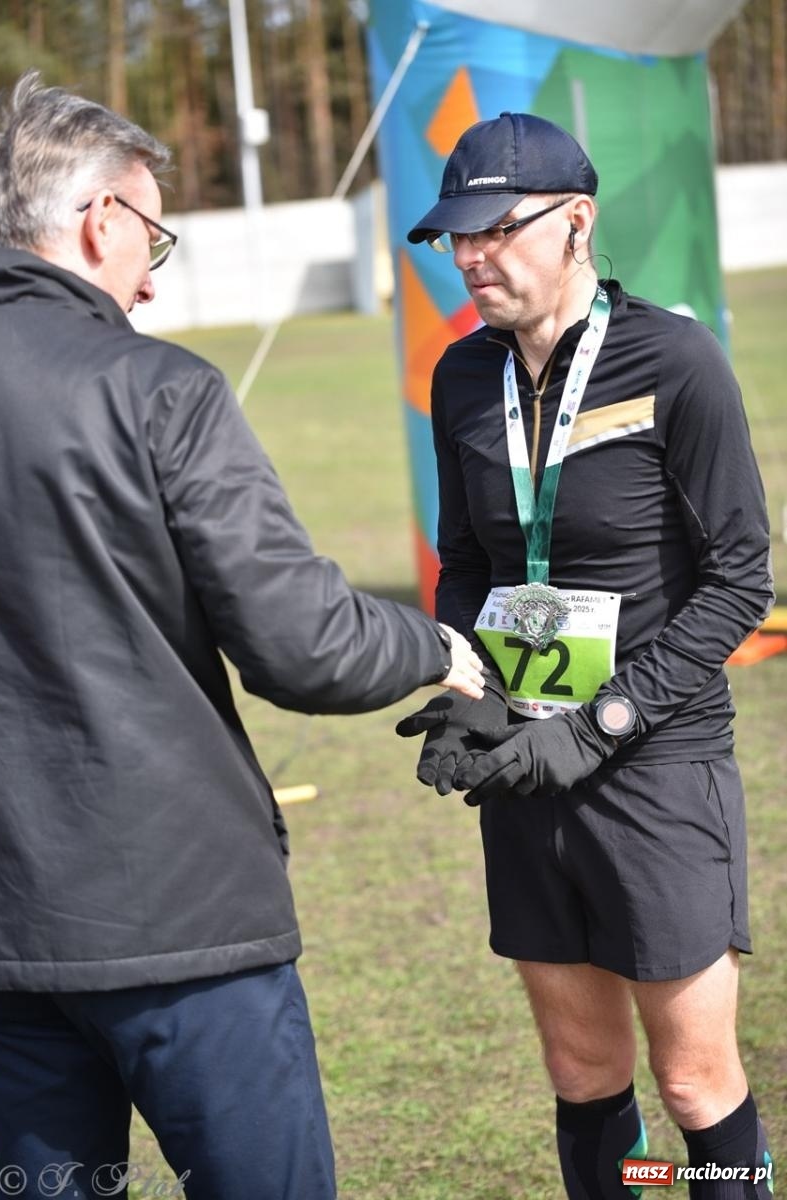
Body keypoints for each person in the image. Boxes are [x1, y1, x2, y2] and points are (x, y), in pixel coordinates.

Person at [0, 71, 485, 1200]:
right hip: (182, 922)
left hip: (6, 935)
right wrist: (436, 650)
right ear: (100, 219)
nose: (152, 284)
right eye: (152, 237)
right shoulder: (158, 388)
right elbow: (299, 642)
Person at [396, 111, 775, 1199]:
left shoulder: (675, 359)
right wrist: (474, 686)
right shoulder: (463, 378)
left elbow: (742, 578)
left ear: (577, 224)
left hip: (653, 762)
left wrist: (606, 722)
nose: (469, 257)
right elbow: (464, 561)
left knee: (696, 1085)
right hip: (524, 763)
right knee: (583, 1071)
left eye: (493, 232)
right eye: (452, 239)